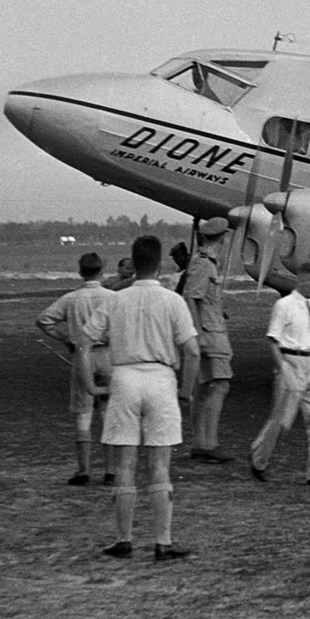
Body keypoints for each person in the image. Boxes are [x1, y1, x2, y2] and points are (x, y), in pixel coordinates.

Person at [80, 236, 200, 561]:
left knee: (125, 465)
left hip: (125, 379)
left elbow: (84, 343)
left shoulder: (116, 299)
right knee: (160, 466)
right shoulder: (172, 300)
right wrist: (186, 390)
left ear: (133, 263)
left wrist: (90, 385)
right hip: (160, 379)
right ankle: (163, 541)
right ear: (160, 264)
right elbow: (192, 350)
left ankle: (124, 539)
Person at [249, 262, 310, 486]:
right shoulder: (283, 305)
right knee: (282, 420)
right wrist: (283, 368)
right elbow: (272, 339)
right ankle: (259, 457)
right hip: (290, 361)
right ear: (303, 281)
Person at [36, 252, 117, 485]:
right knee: (108, 411)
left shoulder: (71, 298)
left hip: (82, 352)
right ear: (102, 270)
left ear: (81, 272)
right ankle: (111, 470)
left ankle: (84, 471)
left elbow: (43, 320)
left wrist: (66, 338)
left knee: (83, 413)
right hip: (107, 353)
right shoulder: (113, 297)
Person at [182, 219, 234, 463]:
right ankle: (209, 443)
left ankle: (200, 443)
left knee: (204, 389)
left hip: (209, 328)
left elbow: (198, 297)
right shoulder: (205, 264)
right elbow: (191, 296)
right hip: (211, 334)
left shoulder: (203, 262)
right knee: (220, 384)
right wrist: (198, 333)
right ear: (223, 237)